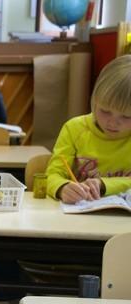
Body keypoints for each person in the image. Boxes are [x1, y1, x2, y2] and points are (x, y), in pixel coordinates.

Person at [46, 54, 131, 202]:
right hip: (76, 218)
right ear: (95, 100)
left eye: (127, 117)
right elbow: (52, 175)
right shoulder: (75, 129)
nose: (112, 122)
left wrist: (104, 184)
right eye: (105, 111)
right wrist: (62, 187)